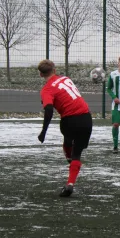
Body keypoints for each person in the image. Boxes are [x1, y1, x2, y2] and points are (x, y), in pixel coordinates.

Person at [37, 60, 92, 197]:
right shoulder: (66, 78)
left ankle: (70, 159)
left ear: (40, 74)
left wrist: (43, 131)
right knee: (77, 152)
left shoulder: (46, 89)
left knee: (68, 139)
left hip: (69, 120)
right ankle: (70, 183)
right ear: (54, 70)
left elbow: (49, 110)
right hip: (86, 117)